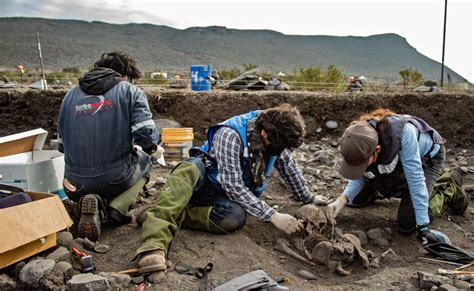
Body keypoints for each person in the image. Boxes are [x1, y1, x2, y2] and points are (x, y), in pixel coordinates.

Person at [135, 104, 329, 273]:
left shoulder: (276, 135)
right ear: (264, 134)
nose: (281, 152)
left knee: (234, 218)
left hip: (222, 198)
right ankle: (153, 246)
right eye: (279, 147)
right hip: (205, 185)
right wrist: (273, 216)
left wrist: (308, 197)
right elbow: (233, 185)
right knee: (189, 169)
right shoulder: (230, 135)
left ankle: (173, 213)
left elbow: (288, 167)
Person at [58, 52, 161, 241]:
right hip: (115, 178)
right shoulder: (130, 91)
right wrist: (154, 150)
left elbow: (61, 146)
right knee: (146, 160)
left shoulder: (69, 96)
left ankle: (92, 200)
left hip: (73, 183)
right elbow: (145, 136)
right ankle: (117, 208)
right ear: (124, 75)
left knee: (94, 175)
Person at [326, 108, 466, 246]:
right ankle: (387, 188)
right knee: (353, 199)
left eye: (362, 164)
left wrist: (423, 227)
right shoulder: (358, 137)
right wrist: (341, 199)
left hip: (427, 160)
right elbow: (360, 172)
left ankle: (448, 184)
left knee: (408, 222)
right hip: (395, 161)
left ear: (377, 150)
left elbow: (416, 180)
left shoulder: (405, 134)